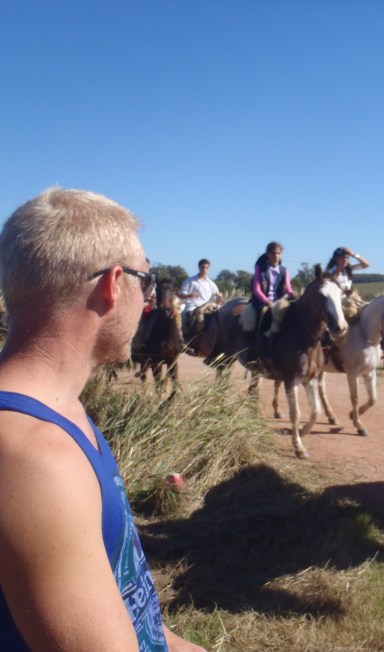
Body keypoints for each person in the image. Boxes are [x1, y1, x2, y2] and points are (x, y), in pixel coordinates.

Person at [0, 187, 205, 651]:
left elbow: (139, 618)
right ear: (114, 284)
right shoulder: (36, 458)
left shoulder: (64, 413)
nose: (147, 298)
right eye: (146, 282)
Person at [178, 258, 222, 339]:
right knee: (193, 319)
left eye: (206, 268)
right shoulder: (190, 281)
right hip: (193, 306)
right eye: (202, 267)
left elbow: (218, 301)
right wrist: (189, 295)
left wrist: (220, 297)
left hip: (207, 306)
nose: (204, 269)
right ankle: (191, 338)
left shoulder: (211, 284)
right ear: (199, 267)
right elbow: (180, 294)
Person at [325, 246, 369, 321]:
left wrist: (353, 255)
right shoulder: (330, 272)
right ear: (336, 259)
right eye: (342, 258)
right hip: (336, 302)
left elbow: (366, 265)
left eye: (347, 258)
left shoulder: (349, 268)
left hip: (349, 300)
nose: (345, 260)